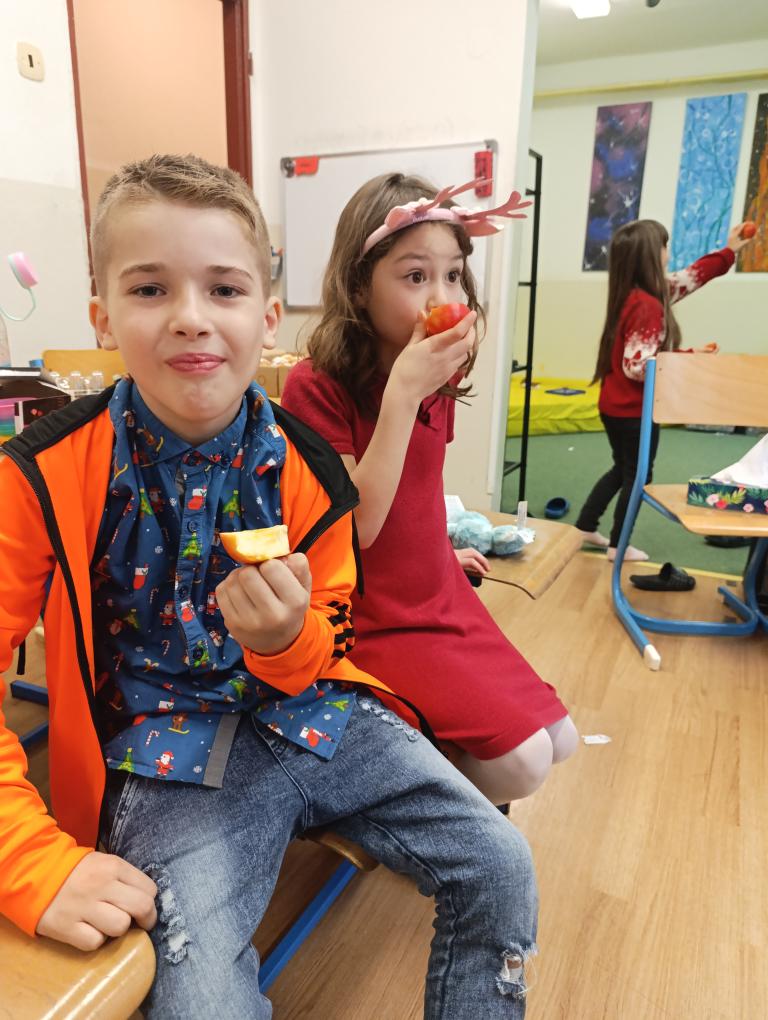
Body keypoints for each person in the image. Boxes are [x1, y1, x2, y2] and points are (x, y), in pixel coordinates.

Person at [0, 155, 538, 1019]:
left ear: (269, 315)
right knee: (198, 1001)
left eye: (224, 289)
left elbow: (333, 628)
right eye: (149, 289)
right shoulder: (38, 475)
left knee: (503, 865)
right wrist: (29, 861)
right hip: (165, 751)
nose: (190, 317)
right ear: (102, 316)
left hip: (320, 716)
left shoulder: (312, 468)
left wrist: (287, 641)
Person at [280, 172, 579, 808]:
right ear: (359, 286)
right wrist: (403, 395)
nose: (441, 296)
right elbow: (354, 531)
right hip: (368, 612)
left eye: (453, 275)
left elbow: (419, 488)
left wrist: (439, 545)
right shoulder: (316, 385)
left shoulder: (434, 372)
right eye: (415, 276)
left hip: (436, 589)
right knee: (524, 765)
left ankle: (422, 756)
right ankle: (392, 789)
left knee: (562, 740)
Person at [574, 219, 755, 561]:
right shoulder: (648, 306)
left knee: (622, 469)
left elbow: (691, 277)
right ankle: (618, 546)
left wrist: (729, 250)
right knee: (638, 476)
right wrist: (688, 358)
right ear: (650, 255)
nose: (668, 252)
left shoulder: (636, 293)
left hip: (614, 405)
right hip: (632, 412)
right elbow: (636, 365)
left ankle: (585, 525)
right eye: (665, 245)